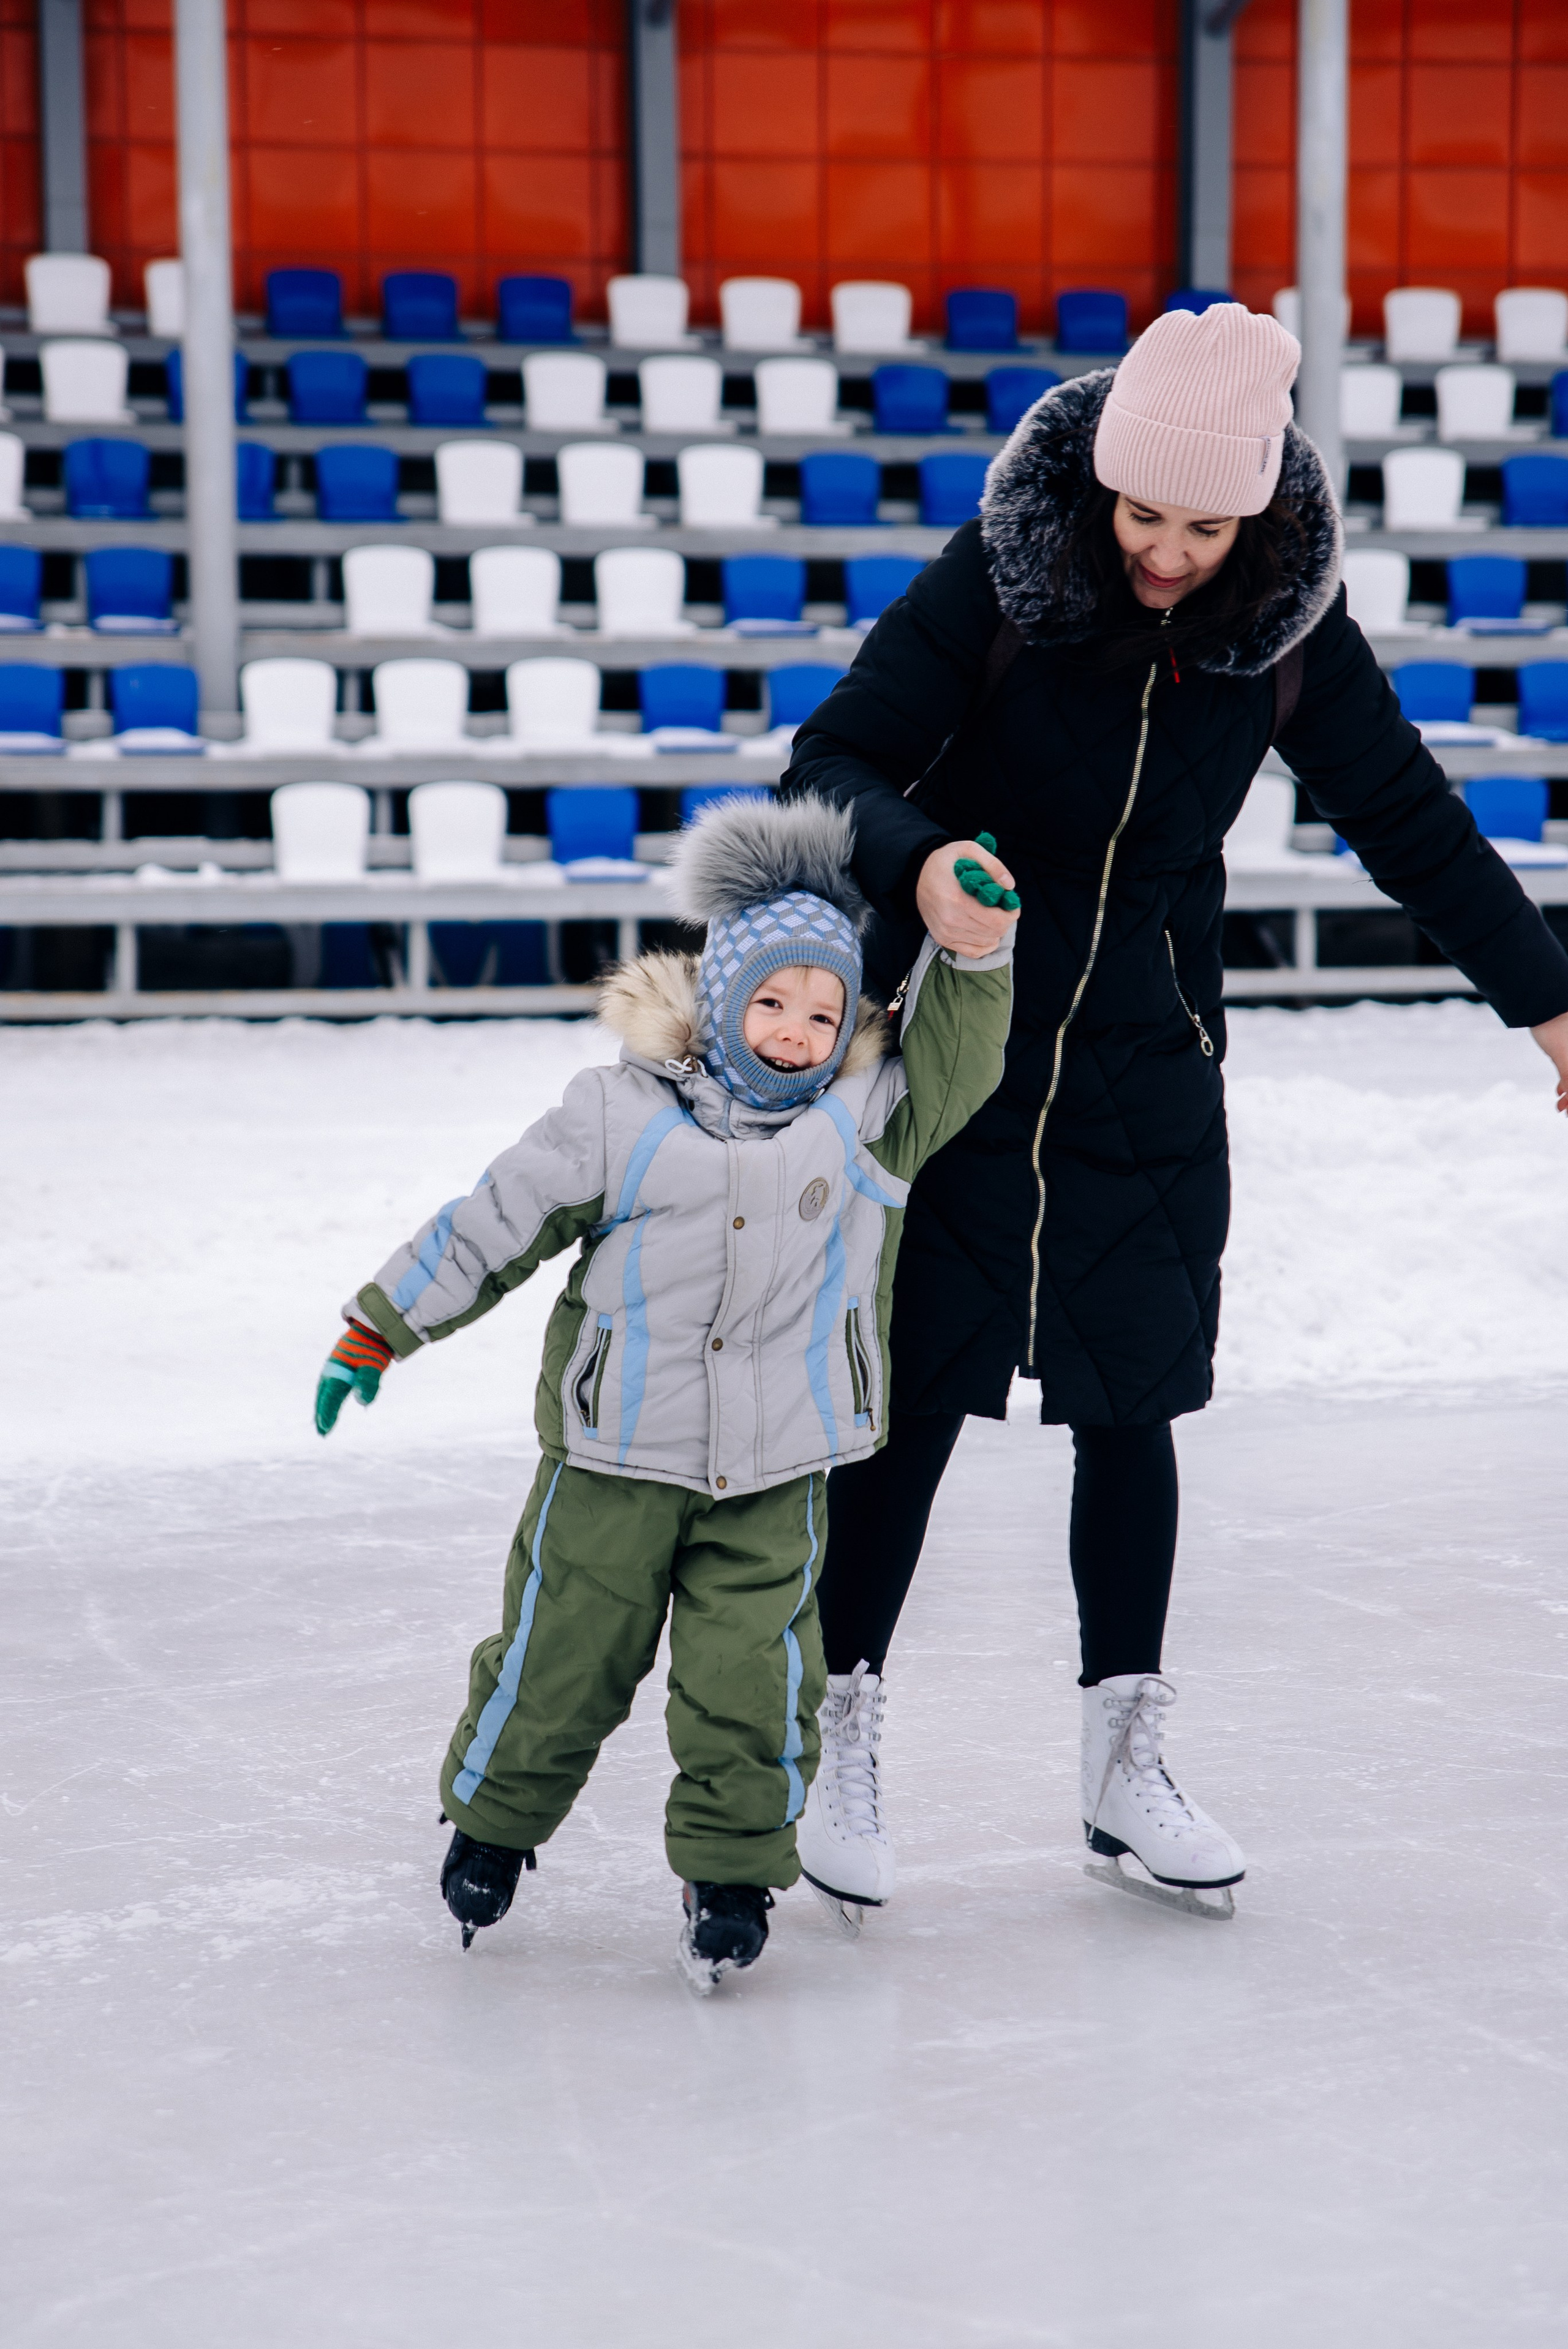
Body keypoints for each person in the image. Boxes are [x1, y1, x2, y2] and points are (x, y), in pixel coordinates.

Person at [783, 301, 1568, 1923]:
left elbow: (1408, 819)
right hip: (960, 1048)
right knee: (912, 1396)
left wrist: (1547, 1000)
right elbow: (832, 761)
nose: (1165, 554)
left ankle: (1122, 1755)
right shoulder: (1004, 576)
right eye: (1144, 515)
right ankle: (830, 1722)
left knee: (1130, 1398)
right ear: (1103, 487)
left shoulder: (1282, 628)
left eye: (1204, 531)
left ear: (1255, 521)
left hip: (1147, 1057)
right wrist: (920, 863)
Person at [312, 794, 1012, 1989]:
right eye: (774, 1004)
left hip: (775, 1468)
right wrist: (384, 1323)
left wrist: (978, 950)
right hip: (614, 1461)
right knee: (560, 1660)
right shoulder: (619, 1114)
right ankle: (491, 1826)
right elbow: (497, 1219)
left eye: (825, 1013)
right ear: (722, 998)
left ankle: (731, 1876)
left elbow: (959, 1053)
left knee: (754, 1684)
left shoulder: (862, 1123)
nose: (797, 1033)